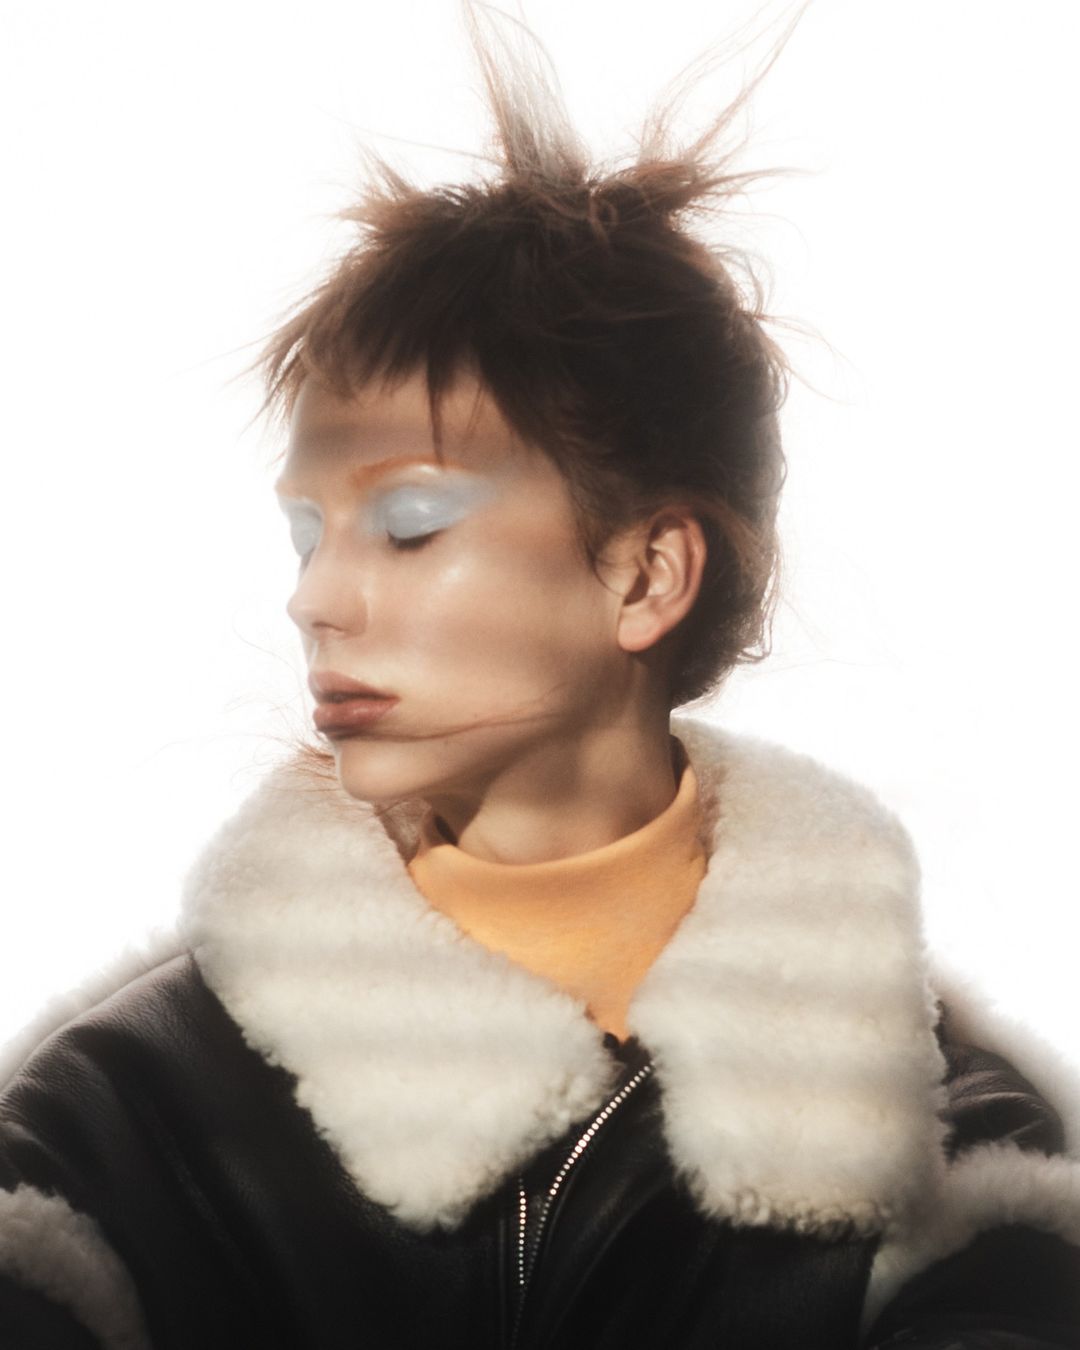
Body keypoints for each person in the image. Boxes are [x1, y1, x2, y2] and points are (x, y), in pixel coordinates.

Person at [1, 5, 1078, 1347]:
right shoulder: (107, 1138)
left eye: (409, 523)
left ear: (646, 575)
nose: (315, 598)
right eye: (308, 532)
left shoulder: (962, 1173)